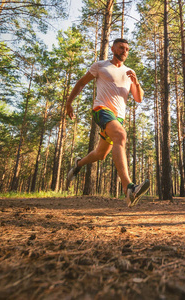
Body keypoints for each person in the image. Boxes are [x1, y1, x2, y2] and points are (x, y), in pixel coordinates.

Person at [65, 38, 149, 207]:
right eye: (121, 48)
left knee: (100, 154)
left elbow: (138, 98)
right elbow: (81, 82)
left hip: (118, 118)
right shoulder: (100, 66)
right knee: (120, 135)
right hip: (101, 110)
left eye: (127, 49)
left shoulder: (129, 72)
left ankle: (78, 164)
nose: (124, 51)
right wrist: (69, 102)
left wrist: (136, 82)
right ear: (113, 49)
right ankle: (129, 188)